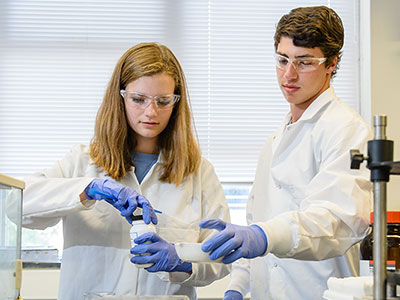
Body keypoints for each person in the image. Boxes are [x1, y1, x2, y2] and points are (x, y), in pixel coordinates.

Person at [22, 42, 231, 300]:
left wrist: (182, 263)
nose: (151, 112)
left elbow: (223, 256)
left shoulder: (198, 172)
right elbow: (19, 206)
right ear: (120, 97)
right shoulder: (82, 161)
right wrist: (87, 189)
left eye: (163, 101)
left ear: (176, 102)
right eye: (138, 99)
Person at [199, 6, 372, 300]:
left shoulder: (347, 130)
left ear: (332, 63)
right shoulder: (275, 141)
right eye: (282, 60)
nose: (288, 75)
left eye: (303, 63)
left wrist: (265, 236)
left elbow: (337, 221)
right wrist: (237, 286)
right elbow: (256, 225)